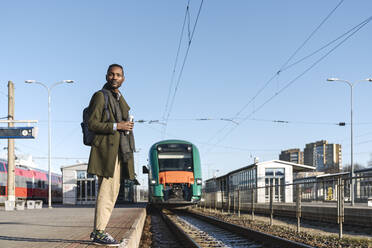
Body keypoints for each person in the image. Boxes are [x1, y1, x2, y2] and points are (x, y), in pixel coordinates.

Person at [87, 64, 135, 246]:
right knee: (106, 192)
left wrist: (125, 125)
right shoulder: (100, 96)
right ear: (107, 76)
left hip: (118, 150)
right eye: (112, 74)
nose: (115, 77)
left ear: (123, 78)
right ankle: (99, 232)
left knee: (112, 192)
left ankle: (100, 230)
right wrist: (117, 126)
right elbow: (92, 123)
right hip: (106, 152)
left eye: (119, 75)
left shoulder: (119, 98)